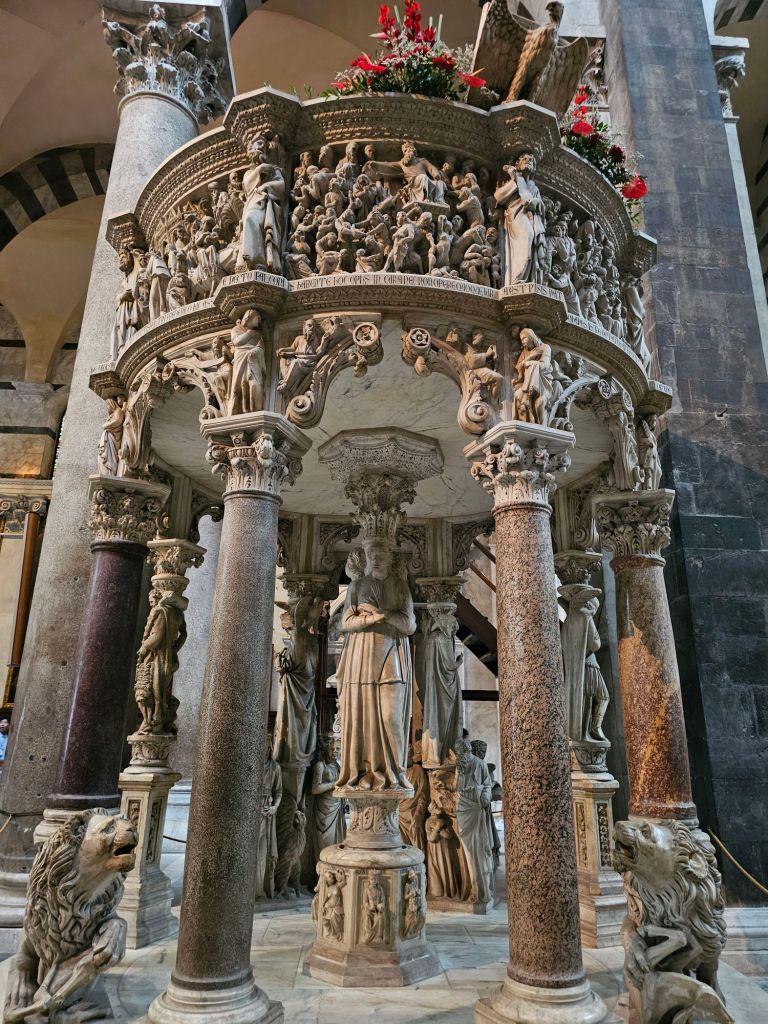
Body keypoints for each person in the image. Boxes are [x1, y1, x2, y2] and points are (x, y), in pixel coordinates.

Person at [335, 540, 416, 792]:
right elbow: (345, 623)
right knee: (361, 717)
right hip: (362, 657)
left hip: (391, 655)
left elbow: (410, 625)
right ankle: (365, 771)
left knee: (391, 716)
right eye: (372, 556)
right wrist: (370, 619)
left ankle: (395, 773)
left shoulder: (400, 586)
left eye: (381, 556)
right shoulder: (357, 586)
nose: (377, 561)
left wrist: (385, 615)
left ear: (390, 559)